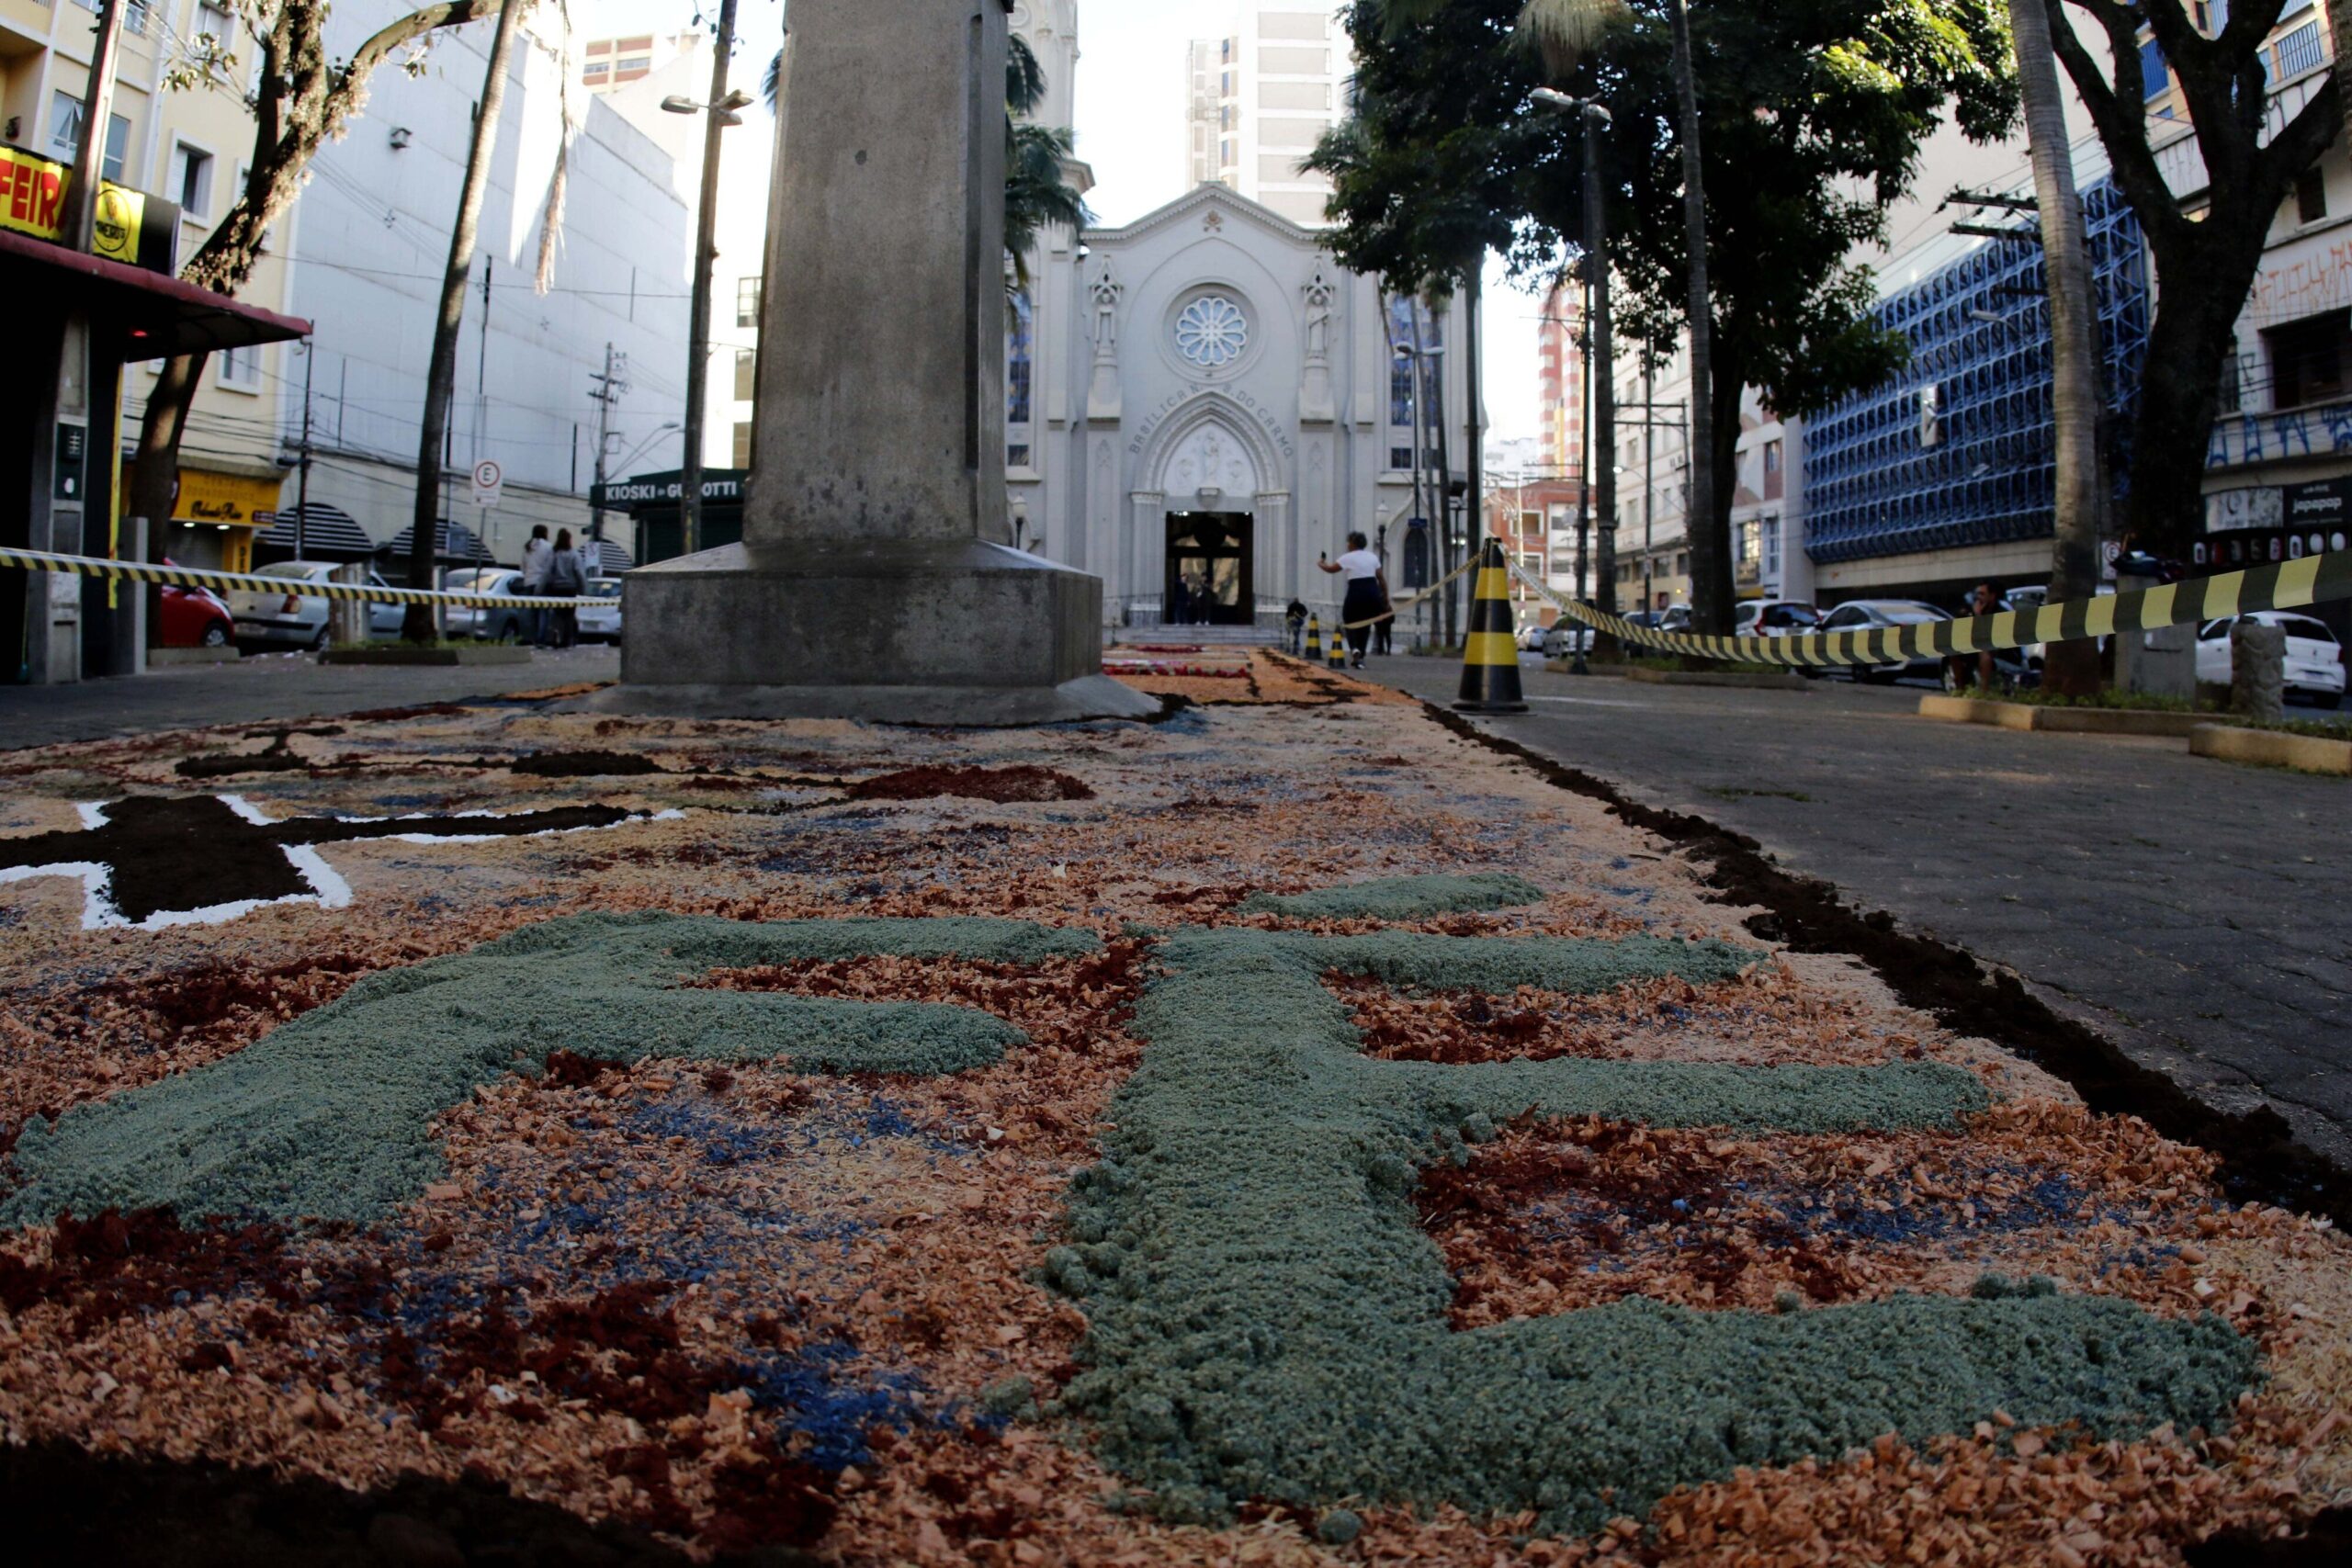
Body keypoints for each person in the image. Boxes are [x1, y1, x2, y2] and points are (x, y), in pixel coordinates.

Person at [1317, 531, 1388, 670]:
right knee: (1366, 623)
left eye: (1348, 542)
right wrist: (1385, 597)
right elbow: (1381, 579)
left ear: (1353, 543)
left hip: (1356, 591)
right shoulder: (1373, 557)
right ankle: (1360, 656)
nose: (1347, 545)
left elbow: (1331, 569)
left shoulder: (1347, 557)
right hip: (1372, 592)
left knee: (1349, 621)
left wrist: (1321, 564)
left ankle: (1355, 649)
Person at [1946, 581, 2000, 694]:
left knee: (1985, 656)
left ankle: (1984, 691)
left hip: (1998, 649)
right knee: (1954, 651)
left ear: (1992, 596)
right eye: (1978, 594)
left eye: (1982, 594)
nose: (1979, 597)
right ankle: (1960, 688)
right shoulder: (1974, 609)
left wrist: (1978, 616)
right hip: (1976, 647)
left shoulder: (2000, 611)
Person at [546, 528, 588, 649]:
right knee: (569, 616)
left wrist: (542, 588)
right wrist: (583, 590)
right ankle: (567, 640)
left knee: (557, 615)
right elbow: (579, 572)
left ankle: (556, 637)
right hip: (570, 588)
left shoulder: (554, 553)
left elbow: (547, 572)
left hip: (557, 588)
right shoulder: (574, 554)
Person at [520, 525, 553, 646]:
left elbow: (523, 567)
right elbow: (549, 567)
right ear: (545, 533)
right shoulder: (548, 547)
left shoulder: (527, 547)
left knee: (530, 612)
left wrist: (527, 576)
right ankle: (541, 639)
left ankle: (529, 637)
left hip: (528, 582)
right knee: (543, 612)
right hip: (542, 583)